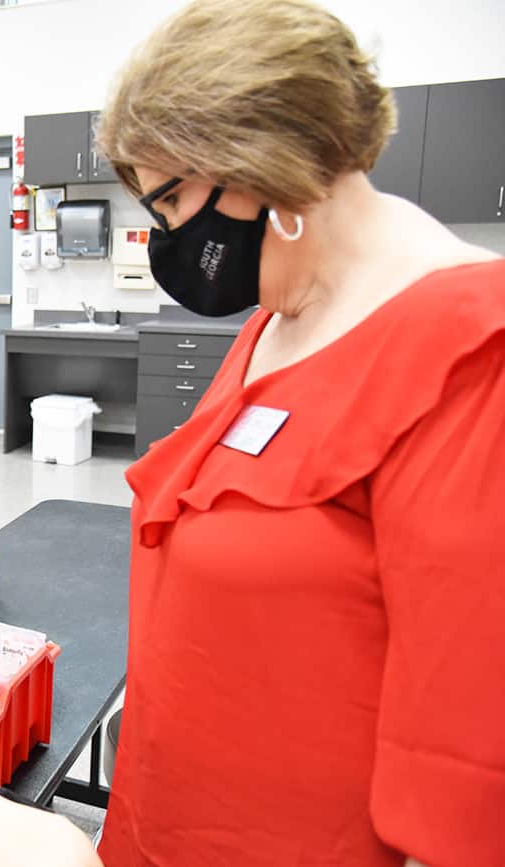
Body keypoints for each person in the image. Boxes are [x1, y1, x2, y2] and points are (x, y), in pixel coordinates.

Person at [93, 1, 504, 865]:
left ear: (250, 161)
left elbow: (469, 765)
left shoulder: (472, 354)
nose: (165, 235)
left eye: (167, 198)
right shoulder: (274, 321)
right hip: (163, 824)